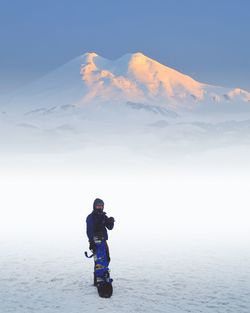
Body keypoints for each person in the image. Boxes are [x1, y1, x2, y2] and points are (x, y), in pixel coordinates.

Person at [86, 198, 115, 264]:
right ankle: (98, 274)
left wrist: (111, 221)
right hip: (95, 242)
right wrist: (91, 242)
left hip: (103, 241)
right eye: (98, 206)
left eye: (101, 206)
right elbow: (89, 231)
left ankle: (105, 273)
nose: (100, 207)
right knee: (98, 262)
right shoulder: (91, 217)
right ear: (94, 206)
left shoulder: (103, 216)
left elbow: (110, 227)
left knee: (107, 259)